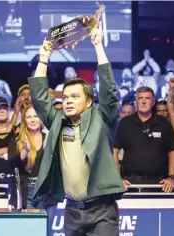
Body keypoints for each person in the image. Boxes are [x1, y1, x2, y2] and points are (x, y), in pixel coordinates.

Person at [29, 27, 124, 236]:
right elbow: (38, 98)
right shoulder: (57, 121)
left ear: (89, 101)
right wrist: (44, 58)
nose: (68, 101)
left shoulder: (102, 118)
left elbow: (109, 90)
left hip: (102, 211)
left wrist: (98, 46)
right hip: (71, 211)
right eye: (65, 97)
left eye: (74, 96)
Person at [114, 87, 174, 193]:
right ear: (136, 102)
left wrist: (171, 177)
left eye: (147, 98)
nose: (143, 101)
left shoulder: (164, 123)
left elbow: (173, 151)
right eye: (140, 98)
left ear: (153, 102)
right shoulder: (125, 123)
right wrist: (117, 179)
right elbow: (115, 151)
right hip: (130, 183)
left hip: (159, 183)